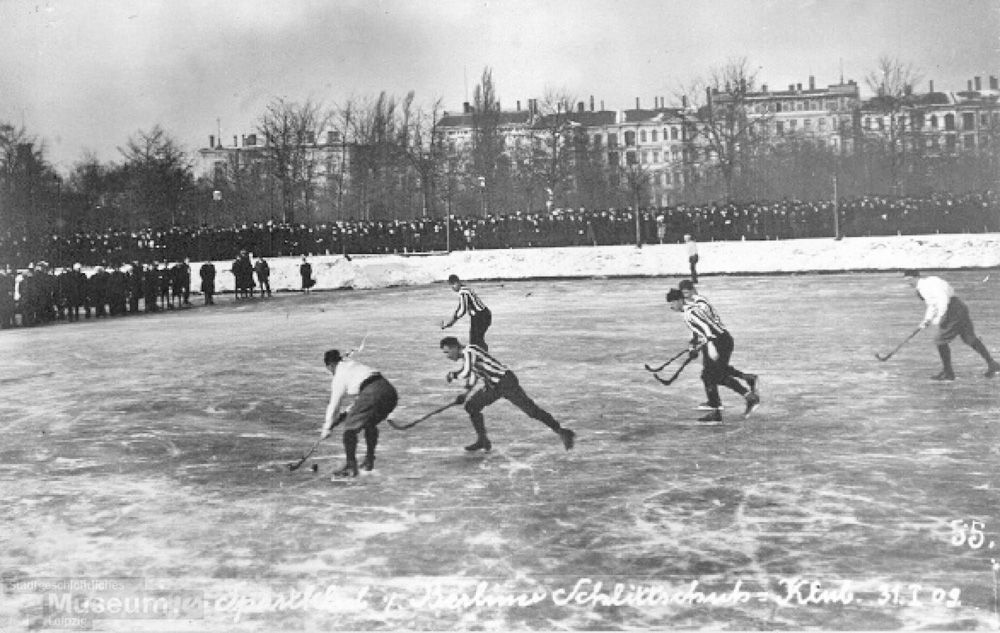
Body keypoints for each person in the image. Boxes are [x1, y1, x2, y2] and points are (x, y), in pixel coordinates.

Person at [439, 336, 575, 452]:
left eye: (447, 352)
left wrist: (453, 375)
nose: (447, 356)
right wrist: (466, 393)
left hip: (506, 382)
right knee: (472, 406)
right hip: (494, 386)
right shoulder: (467, 356)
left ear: (454, 347)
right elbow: (474, 374)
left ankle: (562, 431)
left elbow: (466, 372)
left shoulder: (470, 351)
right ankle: (483, 440)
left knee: (532, 411)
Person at [667, 285, 759, 422]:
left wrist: (710, 345)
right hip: (721, 340)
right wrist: (695, 346)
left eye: (672, 302)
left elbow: (705, 328)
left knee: (710, 376)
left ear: (680, 300)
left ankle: (725, 408)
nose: (671, 306)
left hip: (718, 342)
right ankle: (744, 390)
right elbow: (701, 331)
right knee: (713, 374)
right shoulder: (693, 309)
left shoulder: (689, 313)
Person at [905, 270, 1000, 380]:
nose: (908, 283)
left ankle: (948, 372)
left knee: (940, 340)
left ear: (916, 277)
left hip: (951, 310)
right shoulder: (929, 282)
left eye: (909, 280)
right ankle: (993, 364)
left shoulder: (925, 287)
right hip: (958, 306)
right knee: (969, 338)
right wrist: (927, 319)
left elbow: (942, 299)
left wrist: (941, 317)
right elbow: (932, 304)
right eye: (906, 281)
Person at [319, 349, 398, 478]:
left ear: (330, 365)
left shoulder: (339, 374)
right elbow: (364, 395)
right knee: (369, 423)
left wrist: (327, 427)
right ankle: (369, 461)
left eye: (329, 370)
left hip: (373, 392)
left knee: (350, 428)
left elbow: (334, 404)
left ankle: (351, 466)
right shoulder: (353, 365)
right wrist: (344, 415)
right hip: (389, 391)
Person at [441, 274, 492, 350]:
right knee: (476, 340)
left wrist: (451, 322)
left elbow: (462, 310)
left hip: (480, 316)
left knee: (475, 341)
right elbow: (460, 308)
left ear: (457, 282)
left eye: (453, 285)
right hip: (483, 315)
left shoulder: (463, 292)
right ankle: (482, 356)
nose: (452, 288)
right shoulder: (466, 289)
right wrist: (451, 322)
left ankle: (482, 358)